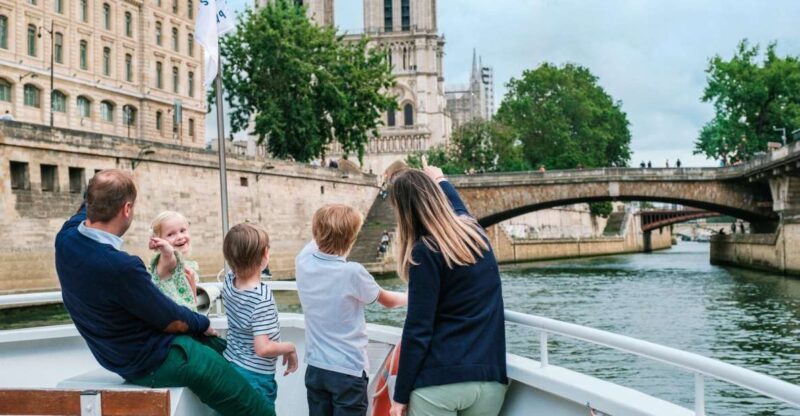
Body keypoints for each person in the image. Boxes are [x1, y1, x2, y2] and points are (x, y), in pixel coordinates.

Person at [54, 169, 274, 415]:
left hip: (116, 354)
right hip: (150, 359)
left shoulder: (67, 236)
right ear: (127, 209)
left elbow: (85, 207)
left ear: (92, 203)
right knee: (245, 398)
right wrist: (202, 323)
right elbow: (172, 320)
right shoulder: (121, 266)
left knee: (226, 353)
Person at [388, 166, 508, 416]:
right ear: (436, 197)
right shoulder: (476, 236)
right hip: (490, 381)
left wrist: (400, 397)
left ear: (404, 212)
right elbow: (460, 210)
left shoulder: (424, 252)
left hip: (439, 383)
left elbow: (418, 330)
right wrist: (440, 179)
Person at [296, 204, 407, 416]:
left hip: (316, 369)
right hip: (347, 371)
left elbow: (316, 239)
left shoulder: (303, 262)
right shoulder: (352, 272)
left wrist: (325, 225)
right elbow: (389, 301)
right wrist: (412, 296)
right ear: (352, 239)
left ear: (315, 232)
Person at [222, 223, 299, 410]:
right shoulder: (262, 298)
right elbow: (263, 349)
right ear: (265, 255)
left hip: (230, 366)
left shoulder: (229, 281)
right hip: (256, 377)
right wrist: (290, 347)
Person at [148, 211, 199, 311]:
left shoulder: (187, 266)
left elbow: (192, 303)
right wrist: (166, 249)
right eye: (170, 234)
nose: (180, 237)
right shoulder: (164, 264)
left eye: (182, 230)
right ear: (158, 241)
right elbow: (168, 255)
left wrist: (192, 285)